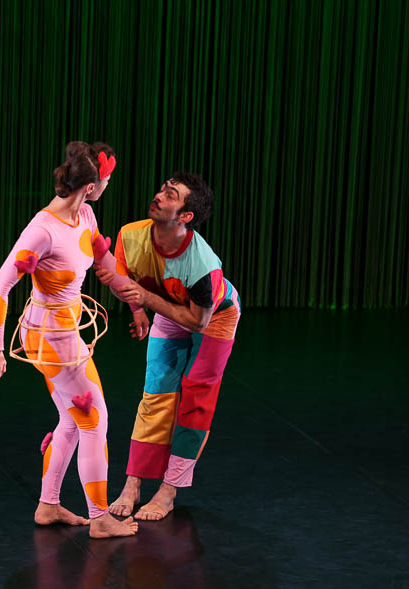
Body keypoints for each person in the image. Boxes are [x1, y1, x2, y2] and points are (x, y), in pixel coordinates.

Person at [0, 141, 138, 538]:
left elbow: (105, 262)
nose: (108, 187)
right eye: (106, 182)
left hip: (66, 331)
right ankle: (100, 518)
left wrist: (136, 304)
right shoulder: (43, 230)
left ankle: (48, 505)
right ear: (91, 186)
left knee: (73, 418)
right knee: (95, 418)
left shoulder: (85, 215)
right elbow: (0, 286)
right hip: (50, 336)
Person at [95, 172, 241, 521]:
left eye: (171, 195)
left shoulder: (202, 266)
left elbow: (197, 322)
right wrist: (137, 309)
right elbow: (127, 280)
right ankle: (133, 484)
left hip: (214, 318)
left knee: (195, 401)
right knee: (155, 395)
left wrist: (146, 300)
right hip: (168, 309)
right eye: (163, 189)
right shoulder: (132, 235)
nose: (159, 195)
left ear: (185, 216)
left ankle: (169, 490)